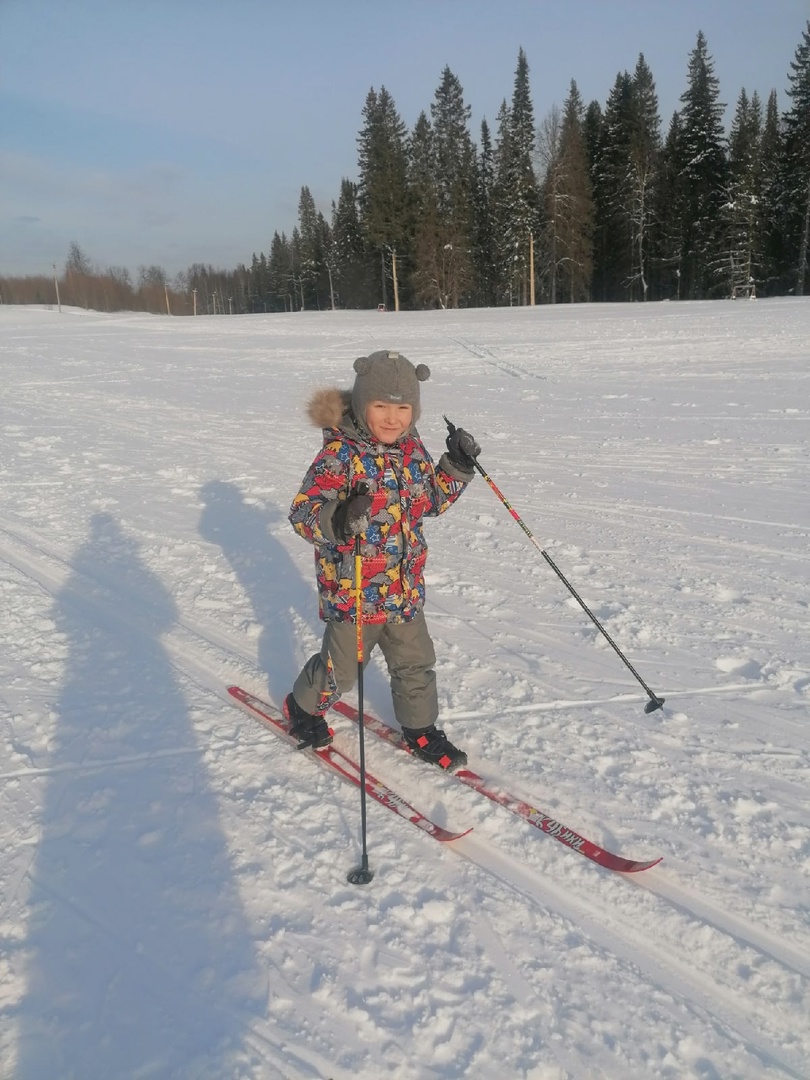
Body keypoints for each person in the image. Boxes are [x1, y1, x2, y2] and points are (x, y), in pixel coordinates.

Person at [286, 349, 480, 769]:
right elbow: (302, 514)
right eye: (381, 406)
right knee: (342, 672)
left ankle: (420, 729)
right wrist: (337, 520)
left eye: (403, 407)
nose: (392, 418)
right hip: (355, 592)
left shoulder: (412, 451)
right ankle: (303, 706)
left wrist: (457, 467)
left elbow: (427, 500)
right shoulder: (340, 455)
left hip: (404, 589)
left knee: (415, 665)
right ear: (361, 405)